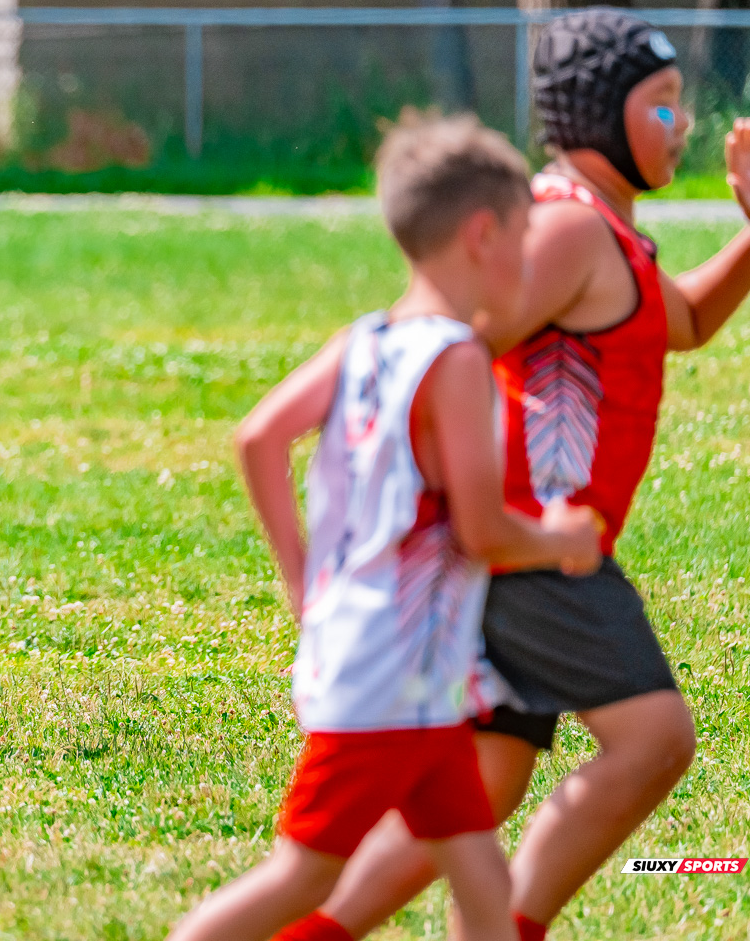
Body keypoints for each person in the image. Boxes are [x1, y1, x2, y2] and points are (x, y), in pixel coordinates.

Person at [275, 10, 750, 941]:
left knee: (487, 781)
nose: (684, 126)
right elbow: (444, 342)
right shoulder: (564, 230)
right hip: (532, 544)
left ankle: (315, 933)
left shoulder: (603, 233)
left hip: (526, 543)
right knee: (654, 741)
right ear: (599, 111)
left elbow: (682, 323)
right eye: (663, 107)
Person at [167, 112, 604, 941]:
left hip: (414, 672)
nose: (529, 259)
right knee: (304, 876)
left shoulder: (365, 341)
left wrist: (301, 580)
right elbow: (482, 532)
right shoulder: (461, 359)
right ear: (483, 235)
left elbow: (259, 438)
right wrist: (563, 541)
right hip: (390, 679)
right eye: (523, 236)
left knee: (479, 875)